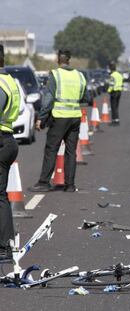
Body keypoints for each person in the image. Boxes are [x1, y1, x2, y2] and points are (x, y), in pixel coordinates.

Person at [28, 49, 89, 193]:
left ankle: (44, 182)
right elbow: (86, 97)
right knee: (71, 151)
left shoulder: (56, 75)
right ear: (69, 59)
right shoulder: (79, 76)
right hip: (75, 117)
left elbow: (48, 99)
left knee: (51, 149)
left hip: (60, 117)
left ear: (58, 59)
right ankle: (70, 185)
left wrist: (41, 118)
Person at [0, 44, 20, 262]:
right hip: (8, 139)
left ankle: (4, 247)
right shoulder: (11, 81)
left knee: (0, 197)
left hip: (1, 141)